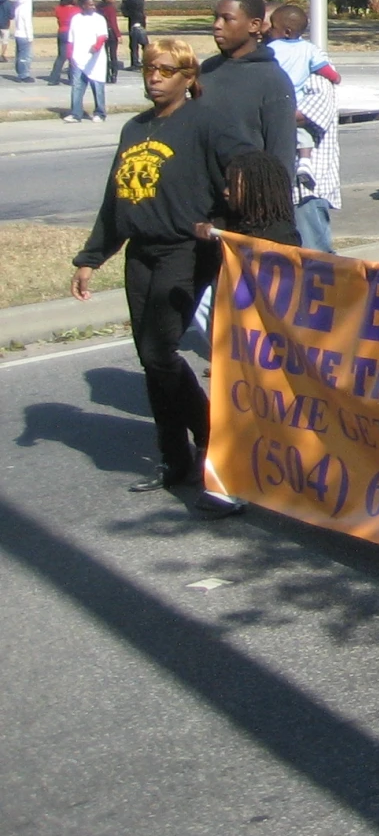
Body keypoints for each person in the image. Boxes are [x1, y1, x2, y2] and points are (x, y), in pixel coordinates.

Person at [68, 36, 256, 511]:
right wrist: (92, 257)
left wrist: (230, 220)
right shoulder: (134, 128)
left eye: (166, 70)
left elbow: (247, 167)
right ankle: (176, 460)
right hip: (141, 252)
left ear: (188, 78)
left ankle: (212, 434)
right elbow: (116, 200)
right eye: (149, 69)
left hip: (186, 251)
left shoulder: (206, 122)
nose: (154, 77)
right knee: (151, 360)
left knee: (160, 350)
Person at [198, 0, 299, 182]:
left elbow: (281, 154)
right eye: (216, 18)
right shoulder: (207, 70)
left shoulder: (272, 80)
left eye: (227, 19)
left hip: (248, 198)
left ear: (254, 25)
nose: (217, 26)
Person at [292, 72, 341, 253]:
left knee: (315, 257)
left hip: (304, 188)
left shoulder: (312, 68)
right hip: (268, 184)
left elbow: (306, 116)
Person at [265, 1, 342, 95]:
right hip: (296, 98)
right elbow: (324, 69)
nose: (269, 29)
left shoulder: (271, 48)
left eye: (273, 27)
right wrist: (336, 78)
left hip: (274, 95)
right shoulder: (310, 49)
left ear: (287, 32)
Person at [64, 0, 109, 122]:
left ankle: (100, 113)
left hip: (95, 60)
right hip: (78, 59)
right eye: (90, 5)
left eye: (93, 5)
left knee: (97, 86)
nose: (93, 7)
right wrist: (70, 56)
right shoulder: (76, 19)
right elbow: (70, 40)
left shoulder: (99, 19)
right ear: (83, 5)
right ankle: (76, 114)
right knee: (77, 87)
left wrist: (96, 47)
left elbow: (102, 36)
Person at [48, 0, 76, 85]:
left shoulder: (58, 9)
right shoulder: (76, 9)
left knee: (61, 56)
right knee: (72, 56)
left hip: (61, 32)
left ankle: (53, 78)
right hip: (71, 33)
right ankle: (73, 78)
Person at [121, 0, 148, 72]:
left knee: (144, 43)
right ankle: (134, 62)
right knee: (133, 44)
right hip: (132, 24)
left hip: (139, 24)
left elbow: (136, 7)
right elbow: (125, 13)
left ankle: (146, 61)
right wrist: (125, 3)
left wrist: (126, 2)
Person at [98, 0, 122, 83]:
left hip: (102, 32)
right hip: (110, 32)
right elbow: (113, 23)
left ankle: (106, 74)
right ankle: (114, 75)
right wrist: (118, 35)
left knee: (104, 54)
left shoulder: (98, 7)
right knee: (113, 55)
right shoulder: (110, 8)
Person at [11, 0, 32, 83]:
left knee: (19, 55)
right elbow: (27, 24)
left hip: (18, 34)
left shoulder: (18, 8)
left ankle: (19, 72)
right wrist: (30, 36)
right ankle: (24, 75)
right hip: (24, 35)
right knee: (25, 56)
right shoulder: (25, 9)